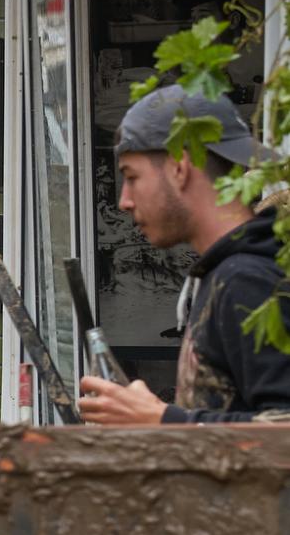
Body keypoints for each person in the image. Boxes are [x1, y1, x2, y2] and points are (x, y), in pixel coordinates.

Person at [79, 84, 290, 425]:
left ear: (179, 168)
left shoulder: (248, 281)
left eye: (132, 177)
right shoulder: (224, 274)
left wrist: (161, 420)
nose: (124, 201)